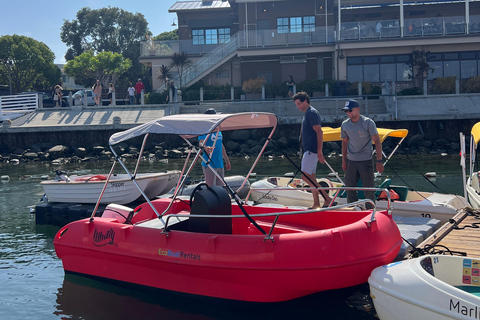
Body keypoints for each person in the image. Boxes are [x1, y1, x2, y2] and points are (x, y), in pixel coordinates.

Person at [293, 91, 336, 209]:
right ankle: (317, 203)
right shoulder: (308, 113)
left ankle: (327, 198)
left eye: (299, 104)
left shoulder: (311, 113)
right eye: (296, 104)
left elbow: (319, 131)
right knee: (311, 178)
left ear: (305, 101)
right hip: (309, 150)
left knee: (304, 177)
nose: (298, 107)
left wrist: (320, 151)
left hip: (312, 150)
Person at [340, 100, 384, 209]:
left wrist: (379, 160)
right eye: (346, 111)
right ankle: (353, 210)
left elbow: (377, 141)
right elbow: (344, 142)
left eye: (350, 110)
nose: (348, 113)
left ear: (357, 109)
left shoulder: (368, 122)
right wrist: (344, 160)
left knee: (368, 189)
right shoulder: (345, 124)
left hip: (366, 160)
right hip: (351, 160)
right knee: (350, 188)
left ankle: (370, 212)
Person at [198, 108, 231, 187]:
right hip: (209, 164)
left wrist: (227, 160)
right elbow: (200, 142)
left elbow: (221, 145)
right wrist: (205, 147)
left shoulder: (218, 130)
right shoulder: (205, 130)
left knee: (220, 188)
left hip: (220, 163)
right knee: (211, 188)